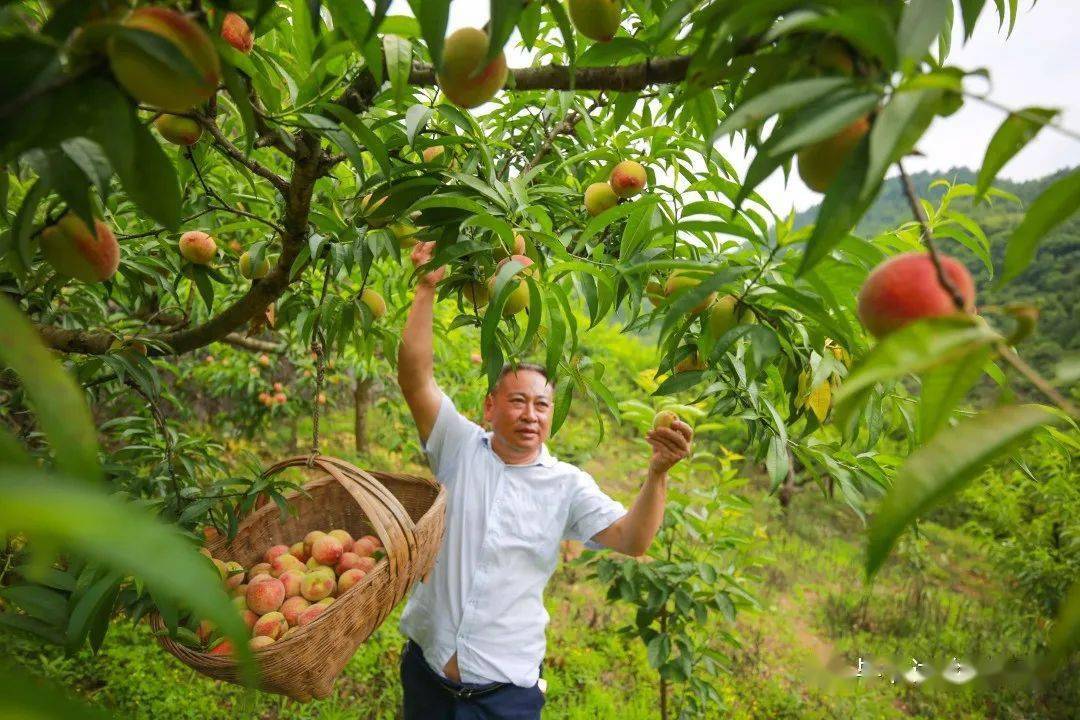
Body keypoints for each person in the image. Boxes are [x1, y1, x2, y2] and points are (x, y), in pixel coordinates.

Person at [396, 241, 694, 719]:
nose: (530, 414)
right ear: (490, 407)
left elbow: (634, 540)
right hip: (427, 675)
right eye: (517, 401)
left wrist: (657, 473)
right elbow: (416, 379)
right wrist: (427, 287)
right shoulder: (459, 448)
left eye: (542, 404)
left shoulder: (567, 485)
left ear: (552, 416)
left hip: (505, 695)